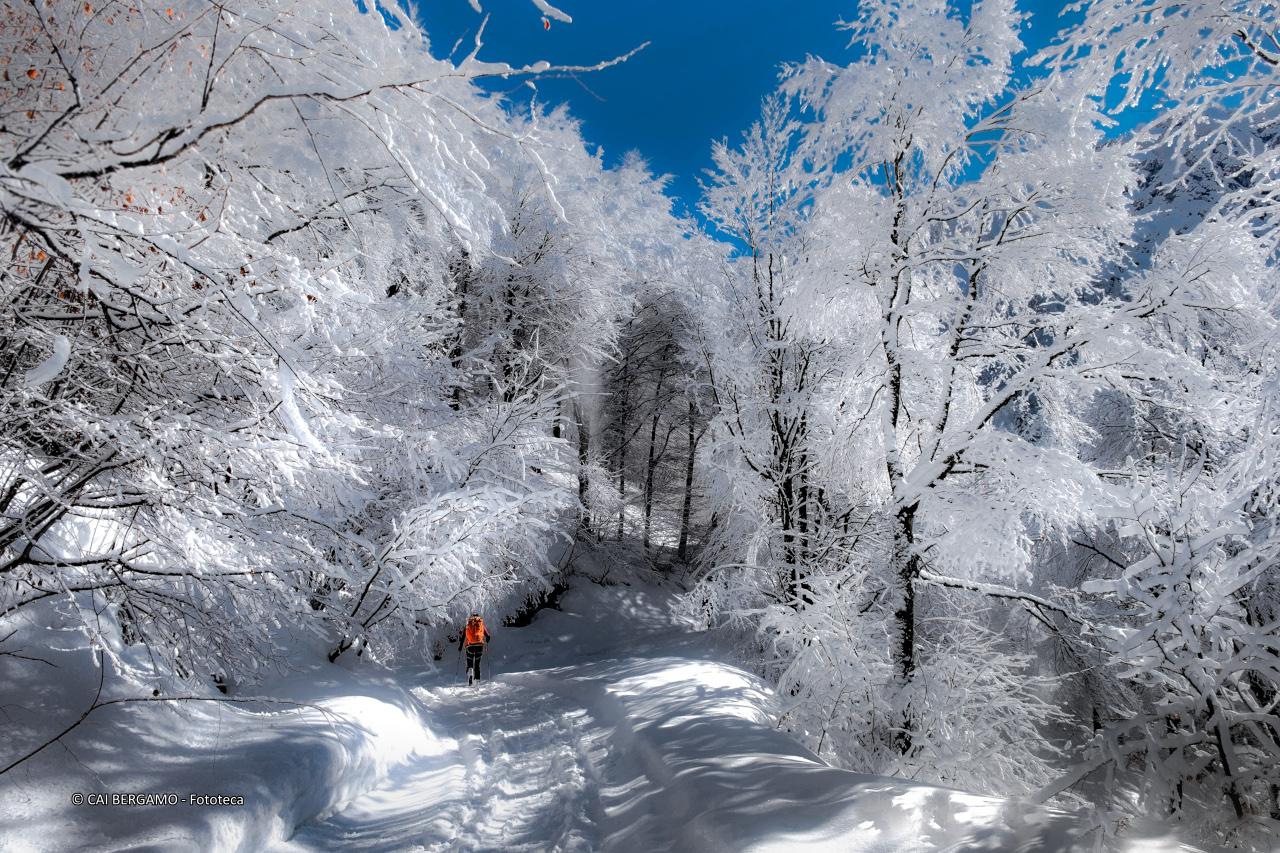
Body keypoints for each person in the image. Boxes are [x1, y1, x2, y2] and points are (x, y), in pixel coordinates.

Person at [458, 613, 491, 686]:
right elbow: (488, 636)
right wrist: (487, 642)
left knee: (470, 662)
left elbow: (463, 637)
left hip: (470, 646)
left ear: (471, 617)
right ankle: (477, 681)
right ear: (478, 617)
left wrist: (460, 647)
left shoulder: (468, 625)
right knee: (477, 664)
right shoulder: (481, 624)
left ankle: (470, 673)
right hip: (479, 646)